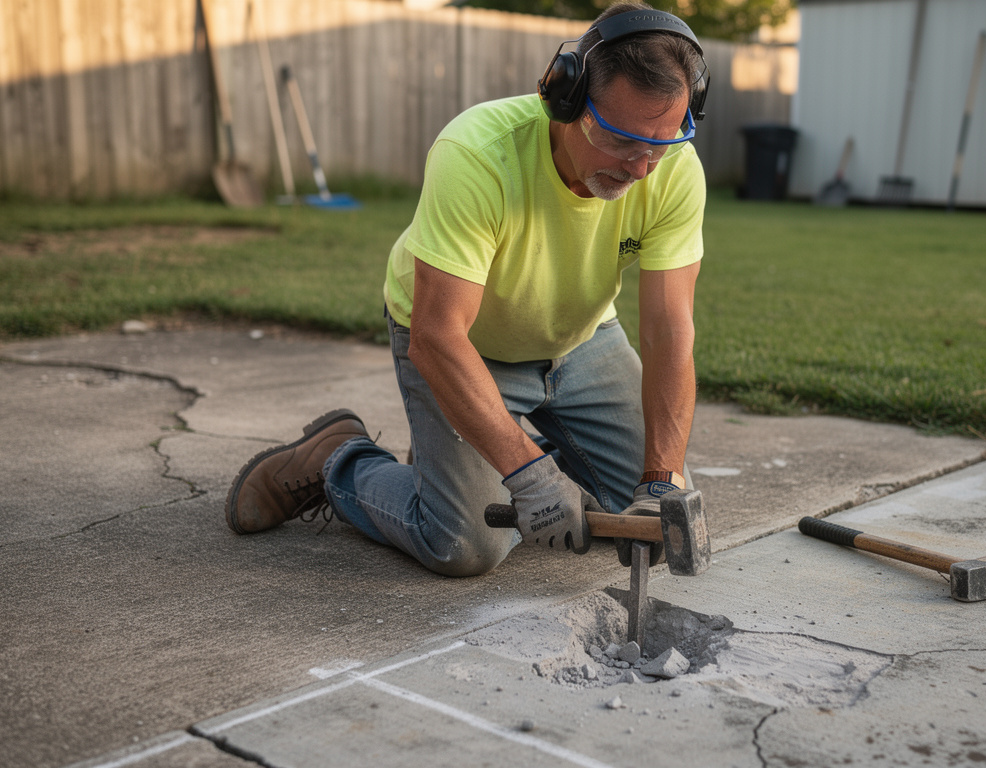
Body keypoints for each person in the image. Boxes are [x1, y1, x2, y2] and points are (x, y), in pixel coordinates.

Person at [225, 2, 709, 577]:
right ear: (567, 98)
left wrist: (661, 481)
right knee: (467, 543)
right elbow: (437, 336)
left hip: (582, 342)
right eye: (622, 140)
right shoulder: (478, 154)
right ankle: (339, 460)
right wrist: (529, 475)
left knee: (648, 512)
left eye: (660, 144)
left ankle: (458, 463)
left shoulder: (674, 170)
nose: (641, 169)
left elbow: (668, 332)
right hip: (464, 345)